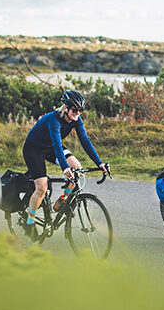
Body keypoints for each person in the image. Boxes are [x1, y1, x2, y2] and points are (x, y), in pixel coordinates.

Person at [22, 90, 109, 236]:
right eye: (75, 110)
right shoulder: (54, 120)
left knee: (77, 168)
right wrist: (64, 168)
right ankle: (29, 222)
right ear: (65, 108)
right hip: (34, 149)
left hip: (49, 147)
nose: (78, 113)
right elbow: (57, 144)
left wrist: (99, 163)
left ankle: (63, 199)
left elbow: (85, 141)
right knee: (42, 187)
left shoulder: (76, 120)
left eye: (80, 110)